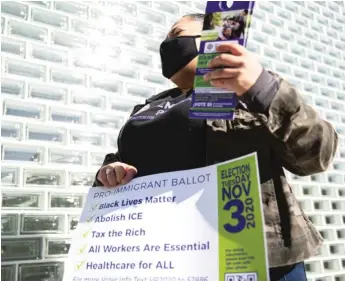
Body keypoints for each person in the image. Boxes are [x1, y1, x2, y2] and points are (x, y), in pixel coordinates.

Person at [93, 13, 338, 281]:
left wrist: (262, 88)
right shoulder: (148, 106)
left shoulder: (249, 91)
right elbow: (125, 163)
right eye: (165, 40)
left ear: (211, 39)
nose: (167, 44)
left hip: (248, 256)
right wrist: (111, 170)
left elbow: (317, 154)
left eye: (176, 35)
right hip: (164, 256)